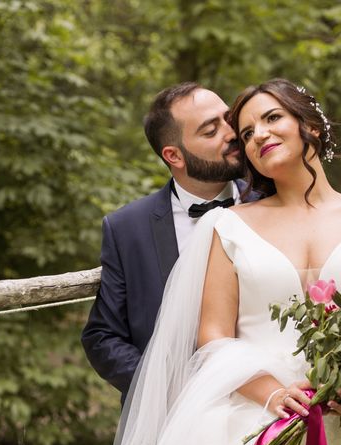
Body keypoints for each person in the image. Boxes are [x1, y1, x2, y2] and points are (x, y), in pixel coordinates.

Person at [102, 79, 341, 445]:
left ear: (311, 125)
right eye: (248, 132)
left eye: (272, 117)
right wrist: (271, 392)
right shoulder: (227, 226)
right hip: (252, 418)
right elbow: (214, 335)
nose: (258, 135)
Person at [81, 82, 263, 402]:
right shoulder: (126, 228)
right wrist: (163, 388)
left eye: (228, 119)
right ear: (174, 155)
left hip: (269, 406)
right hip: (173, 418)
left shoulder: (276, 202)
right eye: (210, 131)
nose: (232, 132)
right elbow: (102, 336)